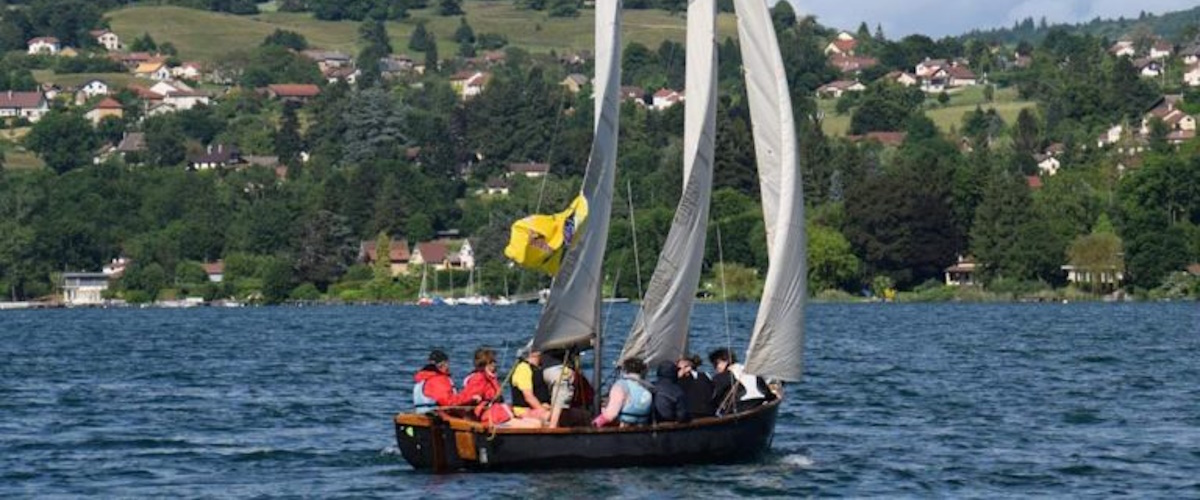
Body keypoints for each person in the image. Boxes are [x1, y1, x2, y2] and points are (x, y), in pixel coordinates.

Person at [461, 348, 541, 428]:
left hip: (499, 415)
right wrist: (474, 399)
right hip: (492, 418)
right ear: (487, 363)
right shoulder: (479, 378)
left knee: (537, 422)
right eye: (493, 362)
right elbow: (468, 398)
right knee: (535, 425)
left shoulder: (490, 377)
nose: (495, 364)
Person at [709, 348, 775, 414]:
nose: (715, 368)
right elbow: (767, 393)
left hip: (741, 407)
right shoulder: (751, 371)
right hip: (760, 403)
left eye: (716, 364)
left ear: (726, 360)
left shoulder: (722, 377)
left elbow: (713, 396)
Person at [591, 357, 654, 427]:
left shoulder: (620, 385)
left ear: (624, 370)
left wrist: (595, 423)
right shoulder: (648, 387)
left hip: (625, 426)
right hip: (643, 425)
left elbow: (611, 414)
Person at [412, 349, 479, 413]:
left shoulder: (423, 379)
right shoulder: (438, 380)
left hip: (421, 413)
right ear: (443, 364)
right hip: (435, 416)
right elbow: (448, 402)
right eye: (447, 363)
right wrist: (470, 398)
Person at [510, 349, 551, 421]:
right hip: (524, 410)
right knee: (551, 416)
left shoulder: (538, 368)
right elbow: (528, 397)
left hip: (538, 407)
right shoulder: (523, 368)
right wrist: (542, 410)